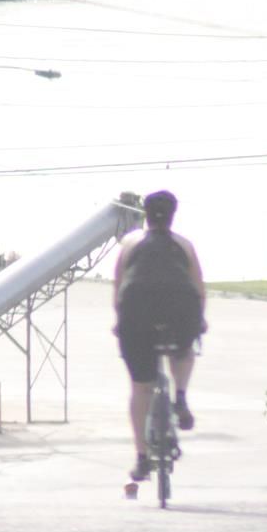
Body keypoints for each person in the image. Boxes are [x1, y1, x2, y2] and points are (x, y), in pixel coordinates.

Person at [113, 189, 205, 483]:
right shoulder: (184, 245)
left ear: (146, 214)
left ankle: (141, 458)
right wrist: (199, 322)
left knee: (140, 388)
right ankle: (180, 396)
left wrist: (119, 322)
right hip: (179, 310)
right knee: (185, 349)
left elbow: (119, 287)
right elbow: (198, 288)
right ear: (173, 216)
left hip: (137, 314)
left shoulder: (130, 243)